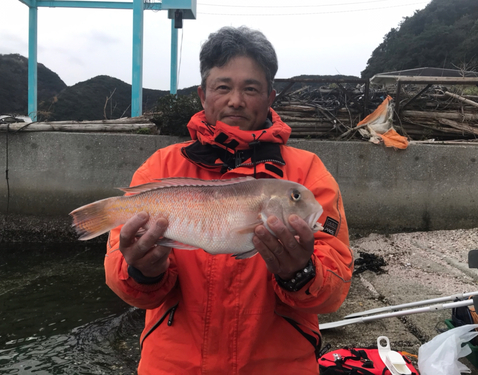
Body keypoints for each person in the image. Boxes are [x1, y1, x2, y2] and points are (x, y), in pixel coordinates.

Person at [104, 26, 353, 375]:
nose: (236, 100)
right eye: (223, 87)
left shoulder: (307, 173)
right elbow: (130, 288)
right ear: (203, 94)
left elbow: (335, 290)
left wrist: (300, 272)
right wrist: (143, 271)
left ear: (270, 97)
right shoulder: (160, 168)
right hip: (173, 366)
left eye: (251, 88)